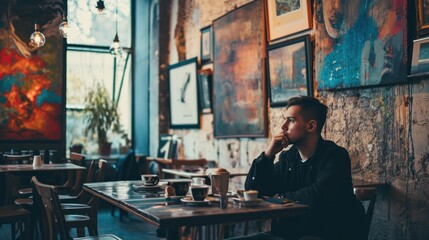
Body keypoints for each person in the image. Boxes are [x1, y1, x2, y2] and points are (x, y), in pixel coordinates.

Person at [245, 96, 365, 240]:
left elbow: (318, 195)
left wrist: (280, 198)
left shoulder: (335, 156)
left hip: (326, 235)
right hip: (287, 234)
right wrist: (268, 155)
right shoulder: (289, 158)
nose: (283, 126)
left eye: (291, 120)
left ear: (311, 126)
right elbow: (253, 191)